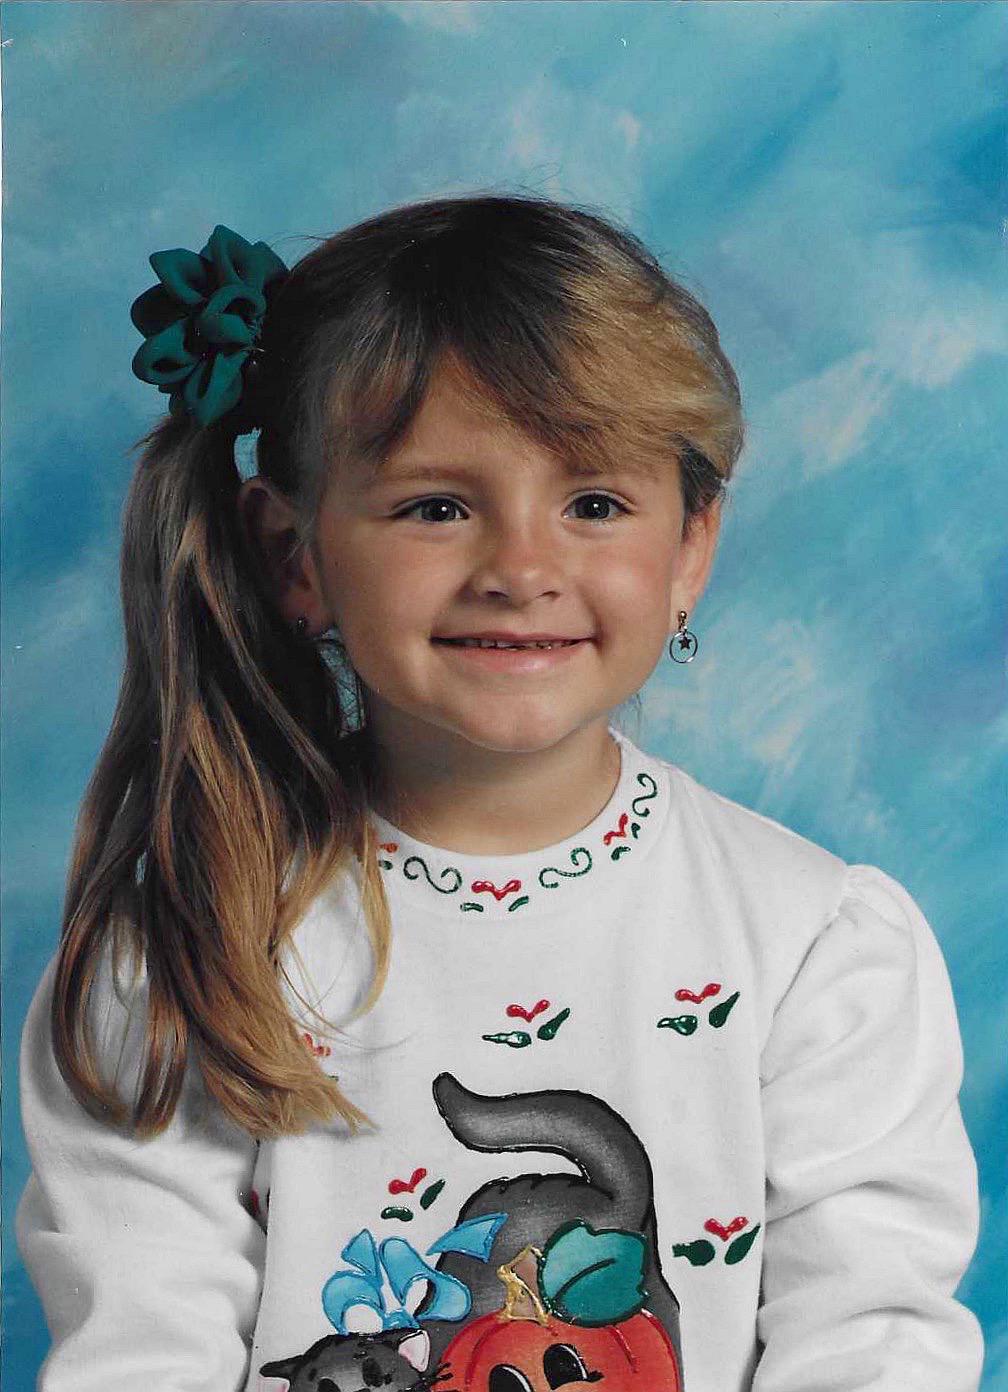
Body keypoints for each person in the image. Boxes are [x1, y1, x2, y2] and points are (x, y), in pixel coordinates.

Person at [16, 195, 983, 1392]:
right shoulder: (183, 952)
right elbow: (139, 1356)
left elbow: (875, 1348)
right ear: (295, 556)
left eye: (593, 504)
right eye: (437, 507)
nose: (521, 569)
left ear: (689, 549)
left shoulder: (813, 949)